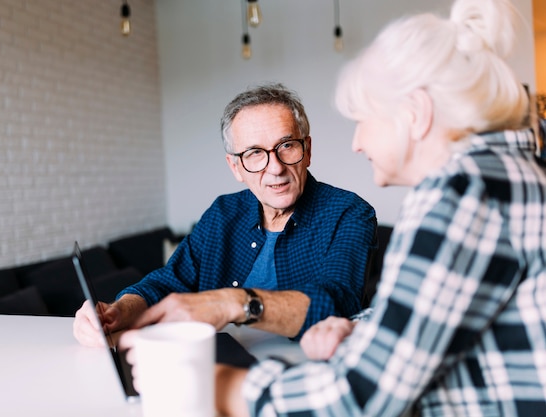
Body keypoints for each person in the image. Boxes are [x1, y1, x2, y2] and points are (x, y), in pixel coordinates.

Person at [214, 0, 546, 416]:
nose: (356, 142)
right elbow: (439, 314)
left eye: (363, 118)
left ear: (414, 115)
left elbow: (364, 397)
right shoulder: (501, 173)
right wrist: (362, 325)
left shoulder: (463, 192)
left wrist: (228, 388)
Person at [73, 83, 377, 346]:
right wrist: (118, 311)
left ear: (307, 150)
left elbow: (335, 304)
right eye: (255, 153)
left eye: (286, 146)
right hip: (214, 365)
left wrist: (231, 303)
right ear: (236, 168)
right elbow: (168, 282)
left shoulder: (349, 213)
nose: (275, 168)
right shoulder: (222, 214)